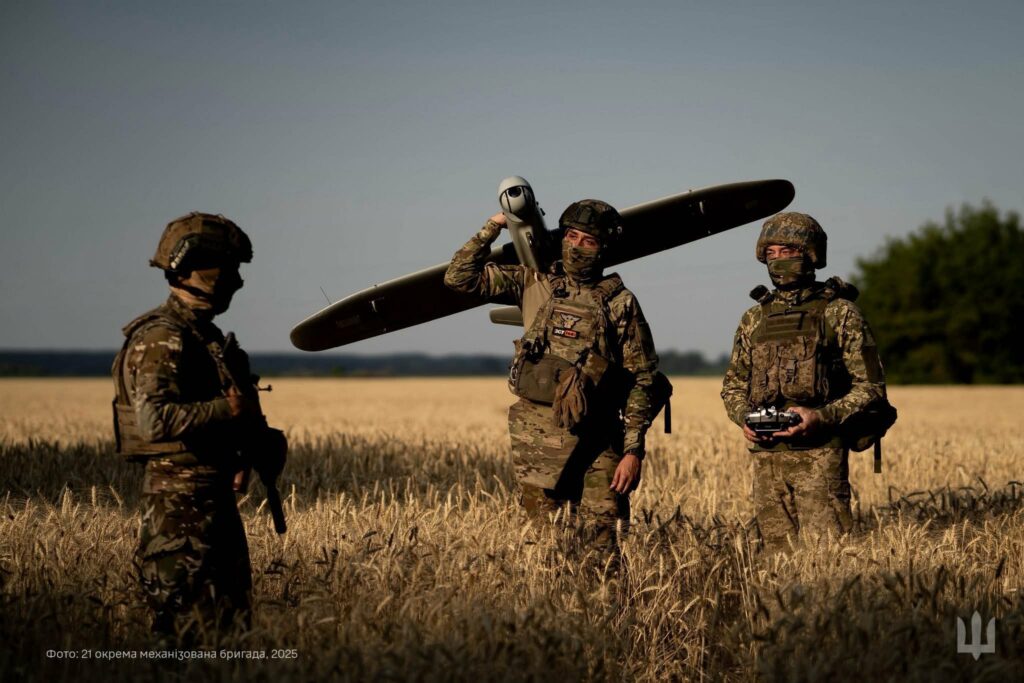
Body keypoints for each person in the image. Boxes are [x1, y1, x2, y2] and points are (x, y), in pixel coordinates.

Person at [444, 200, 662, 547]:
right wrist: (493, 226)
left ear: (604, 247)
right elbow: (458, 277)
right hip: (540, 442)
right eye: (571, 236)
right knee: (546, 545)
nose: (577, 247)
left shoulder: (621, 303)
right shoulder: (532, 283)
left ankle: (606, 602)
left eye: (588, 241)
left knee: (602, 543)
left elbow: (643, 379)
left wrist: (633, 451)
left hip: (599, 441)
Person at [111, 212, 286, 642]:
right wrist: (229, 409)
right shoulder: (163, 337)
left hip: (211, 507)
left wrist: (247, 450)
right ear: (196, 269)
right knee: (185, 644)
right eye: (229, 270)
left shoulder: (202, 337)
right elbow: (156, 421)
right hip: (180, 516)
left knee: (229, 639)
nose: (238, 283)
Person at [721, 212, 887, 549]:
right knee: (776, 563)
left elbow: (871, 389)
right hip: (767, 461)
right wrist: (744, 419)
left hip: (820, 458)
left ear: (810, 254)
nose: (779, 260)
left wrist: (820, 417)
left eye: (788, 251)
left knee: (828, 559)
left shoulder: (840, 313)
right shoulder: (753, 319)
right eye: (771, 253)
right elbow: (733, 386)